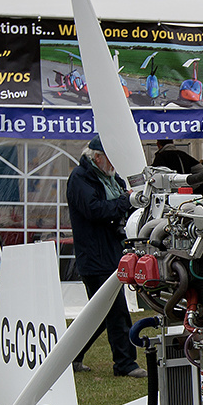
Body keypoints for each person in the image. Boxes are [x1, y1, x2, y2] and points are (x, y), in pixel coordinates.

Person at [66, 136, 146, 378]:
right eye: (109, 157)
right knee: (116, 312)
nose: (114, 163)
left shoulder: (109, 178)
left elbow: (121, 204)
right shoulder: (80, 178)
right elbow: (95, 210)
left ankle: (71, 356)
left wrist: (131, 201)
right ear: (97, 156)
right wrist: (124, 201)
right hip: (94, 255)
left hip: (111, 252)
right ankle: (125, 364)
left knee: (98, 317)